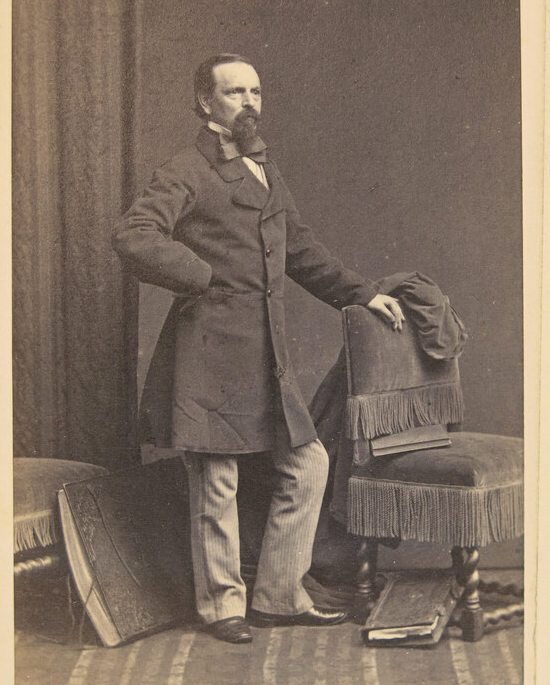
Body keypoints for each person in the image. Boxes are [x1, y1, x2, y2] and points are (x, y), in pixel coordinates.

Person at [112, 54, 404, 644]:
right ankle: (222, 606)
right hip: (209, 354)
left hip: (264, 355)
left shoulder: (264, 166)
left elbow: (300, 249)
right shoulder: (186, 169)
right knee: (217, 481)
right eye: (234, 92)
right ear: (205, 102)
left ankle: (277, 594)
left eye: (255, 92)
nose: (249, 102)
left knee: (308, 464)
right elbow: (134, 235)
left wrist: (363, 294)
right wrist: (201, 276)